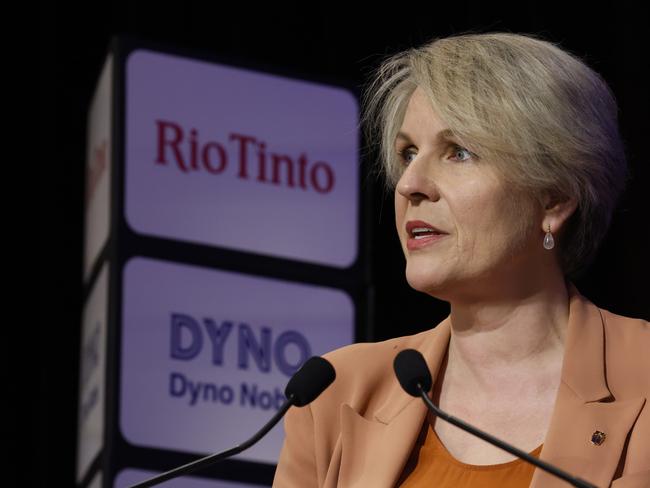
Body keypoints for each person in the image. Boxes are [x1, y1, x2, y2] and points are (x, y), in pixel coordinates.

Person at [272, 31, 649, 488]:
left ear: (554, 199)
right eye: (408, 153)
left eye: (459, 152)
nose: (411, 183)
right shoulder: (336, 395)